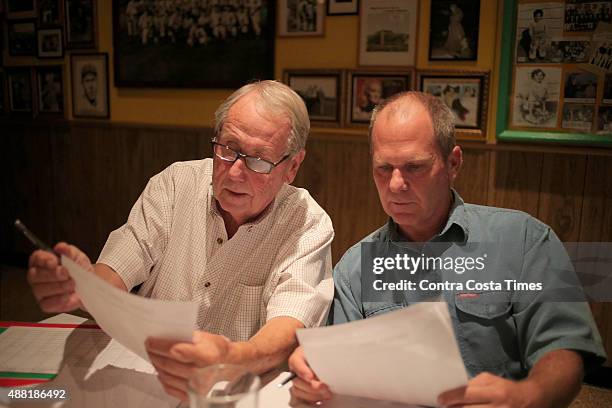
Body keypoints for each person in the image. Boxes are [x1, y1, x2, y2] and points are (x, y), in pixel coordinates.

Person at [288, 92, 606, 408]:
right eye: (384, 168)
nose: (396, 184)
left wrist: (530, 395)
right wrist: (316, 376)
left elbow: (564, 348)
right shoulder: (356, 267)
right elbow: (340, 373)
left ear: (453, 163)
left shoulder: (523, 240)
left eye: (414, 167)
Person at [26, 80, 334, 402]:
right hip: (145, 379)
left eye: (259, 160)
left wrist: (228, 358)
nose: (235, 173)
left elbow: (287, 328)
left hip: (234, 392)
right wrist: (83, 286)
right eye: (228, 149)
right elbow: (119, 268)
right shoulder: (175, 184)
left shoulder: (308, 223)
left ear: (292, 167)